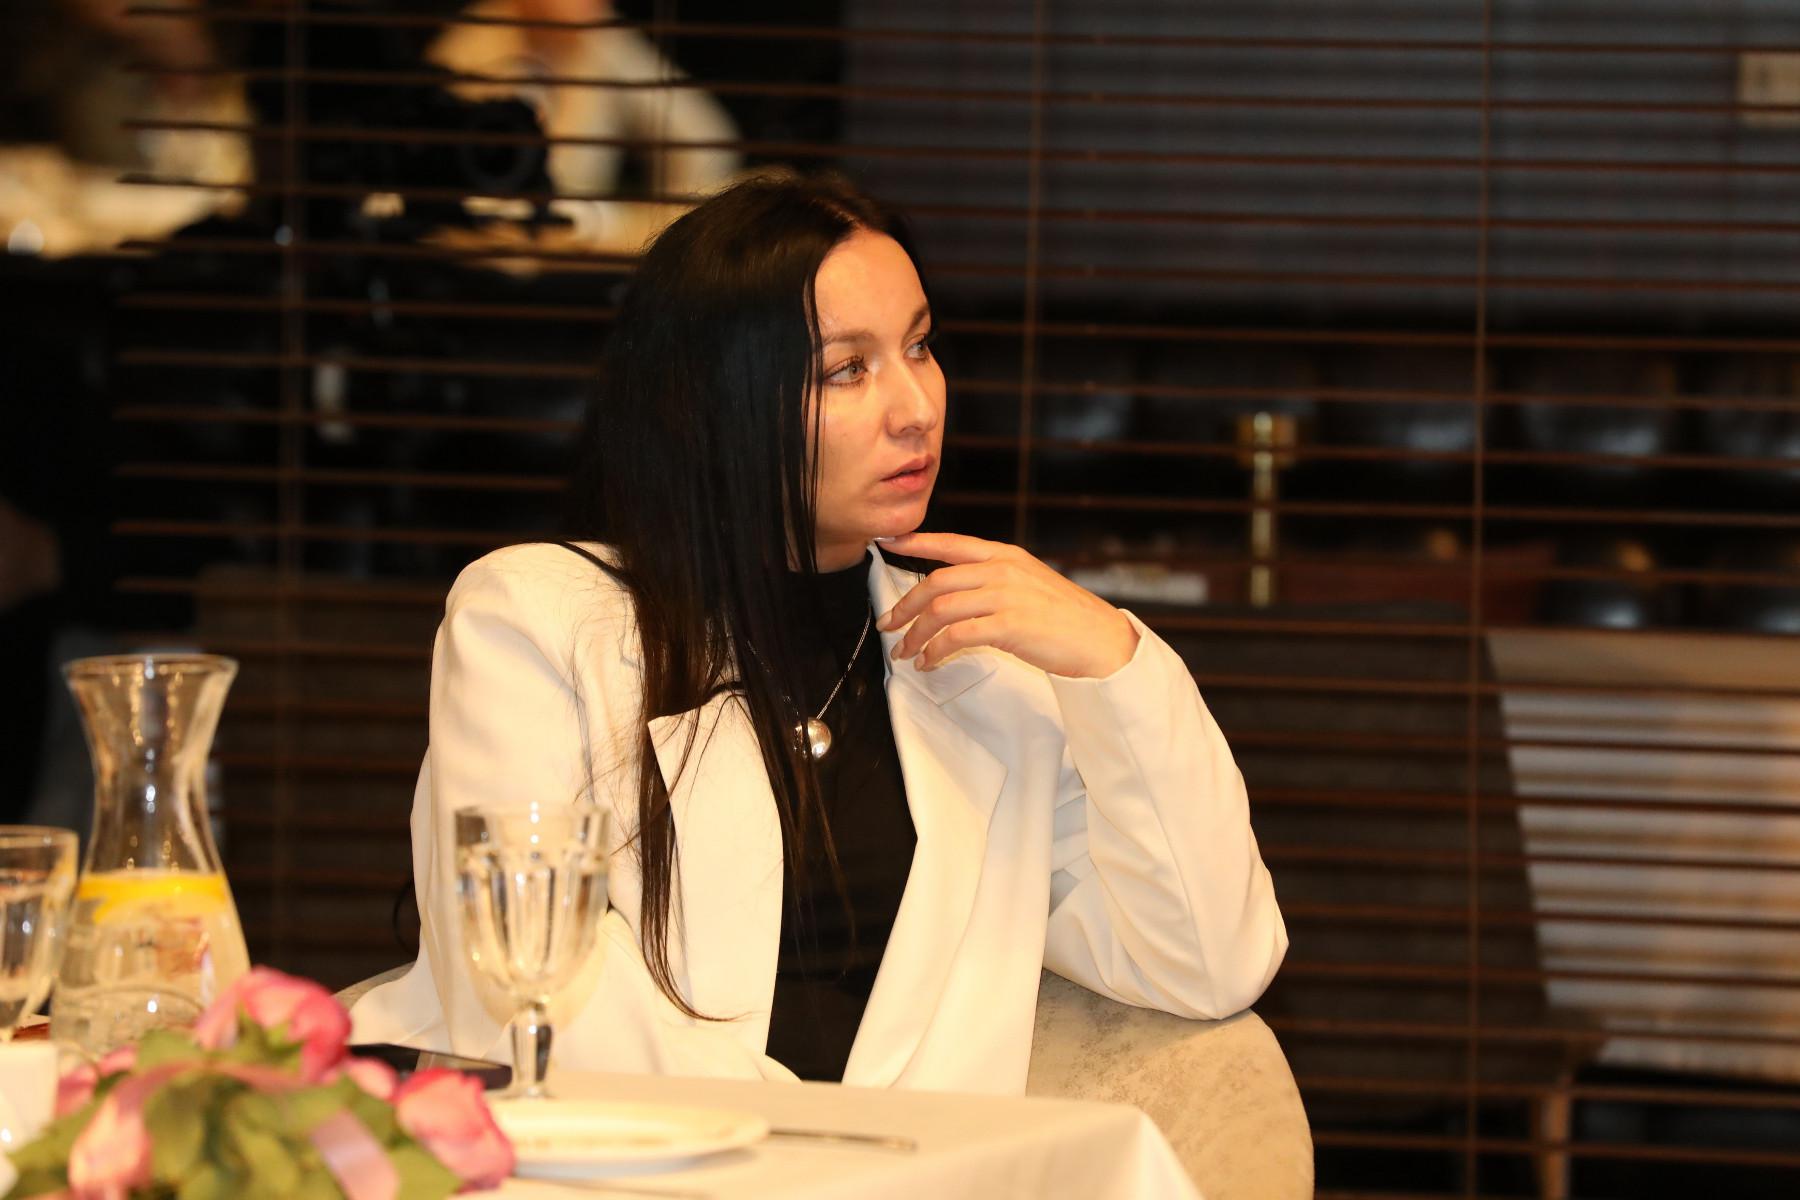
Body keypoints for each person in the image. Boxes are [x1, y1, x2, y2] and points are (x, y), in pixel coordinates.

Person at [349, 173, 1287, 1091]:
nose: (917, 409)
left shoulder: (981, 662)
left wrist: (1117, 662)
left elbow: (1203, 966)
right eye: (848, 369)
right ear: (710, 400)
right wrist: (812, 1151)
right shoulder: (536, 620)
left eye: (920, 347)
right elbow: (519, 978)